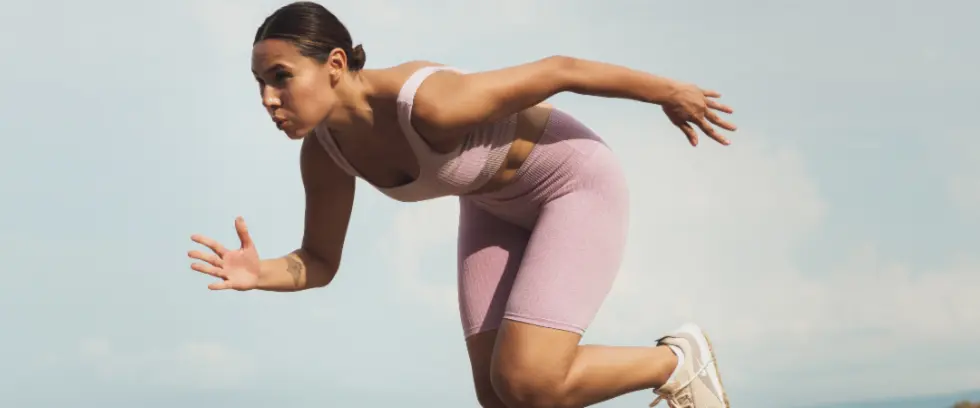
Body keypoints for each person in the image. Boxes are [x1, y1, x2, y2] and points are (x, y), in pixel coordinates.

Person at [186, 2, 737, 407]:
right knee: (497, 398)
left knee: (528, 380)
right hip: (491, 205)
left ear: (334, 63)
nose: (268, 99)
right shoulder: (325, 153)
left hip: (572, 182)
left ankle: (676, 361)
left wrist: (668, 91)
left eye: (281, 78)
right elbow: (320, 261)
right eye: (260, 83)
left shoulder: (429, 104)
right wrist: (262, 273)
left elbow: (560, 70)